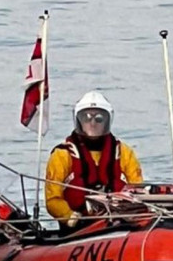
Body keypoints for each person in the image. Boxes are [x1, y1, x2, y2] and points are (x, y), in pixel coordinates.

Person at [45, 91, 144, 231]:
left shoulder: (124, 153)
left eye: (99, 119)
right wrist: (70, 216)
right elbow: (52, 199)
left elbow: (137, 190)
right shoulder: (62, 155)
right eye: (86, 118)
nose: (92, 123)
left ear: (107, 121)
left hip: (120, 225)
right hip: (77, 229)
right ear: (79, 120)